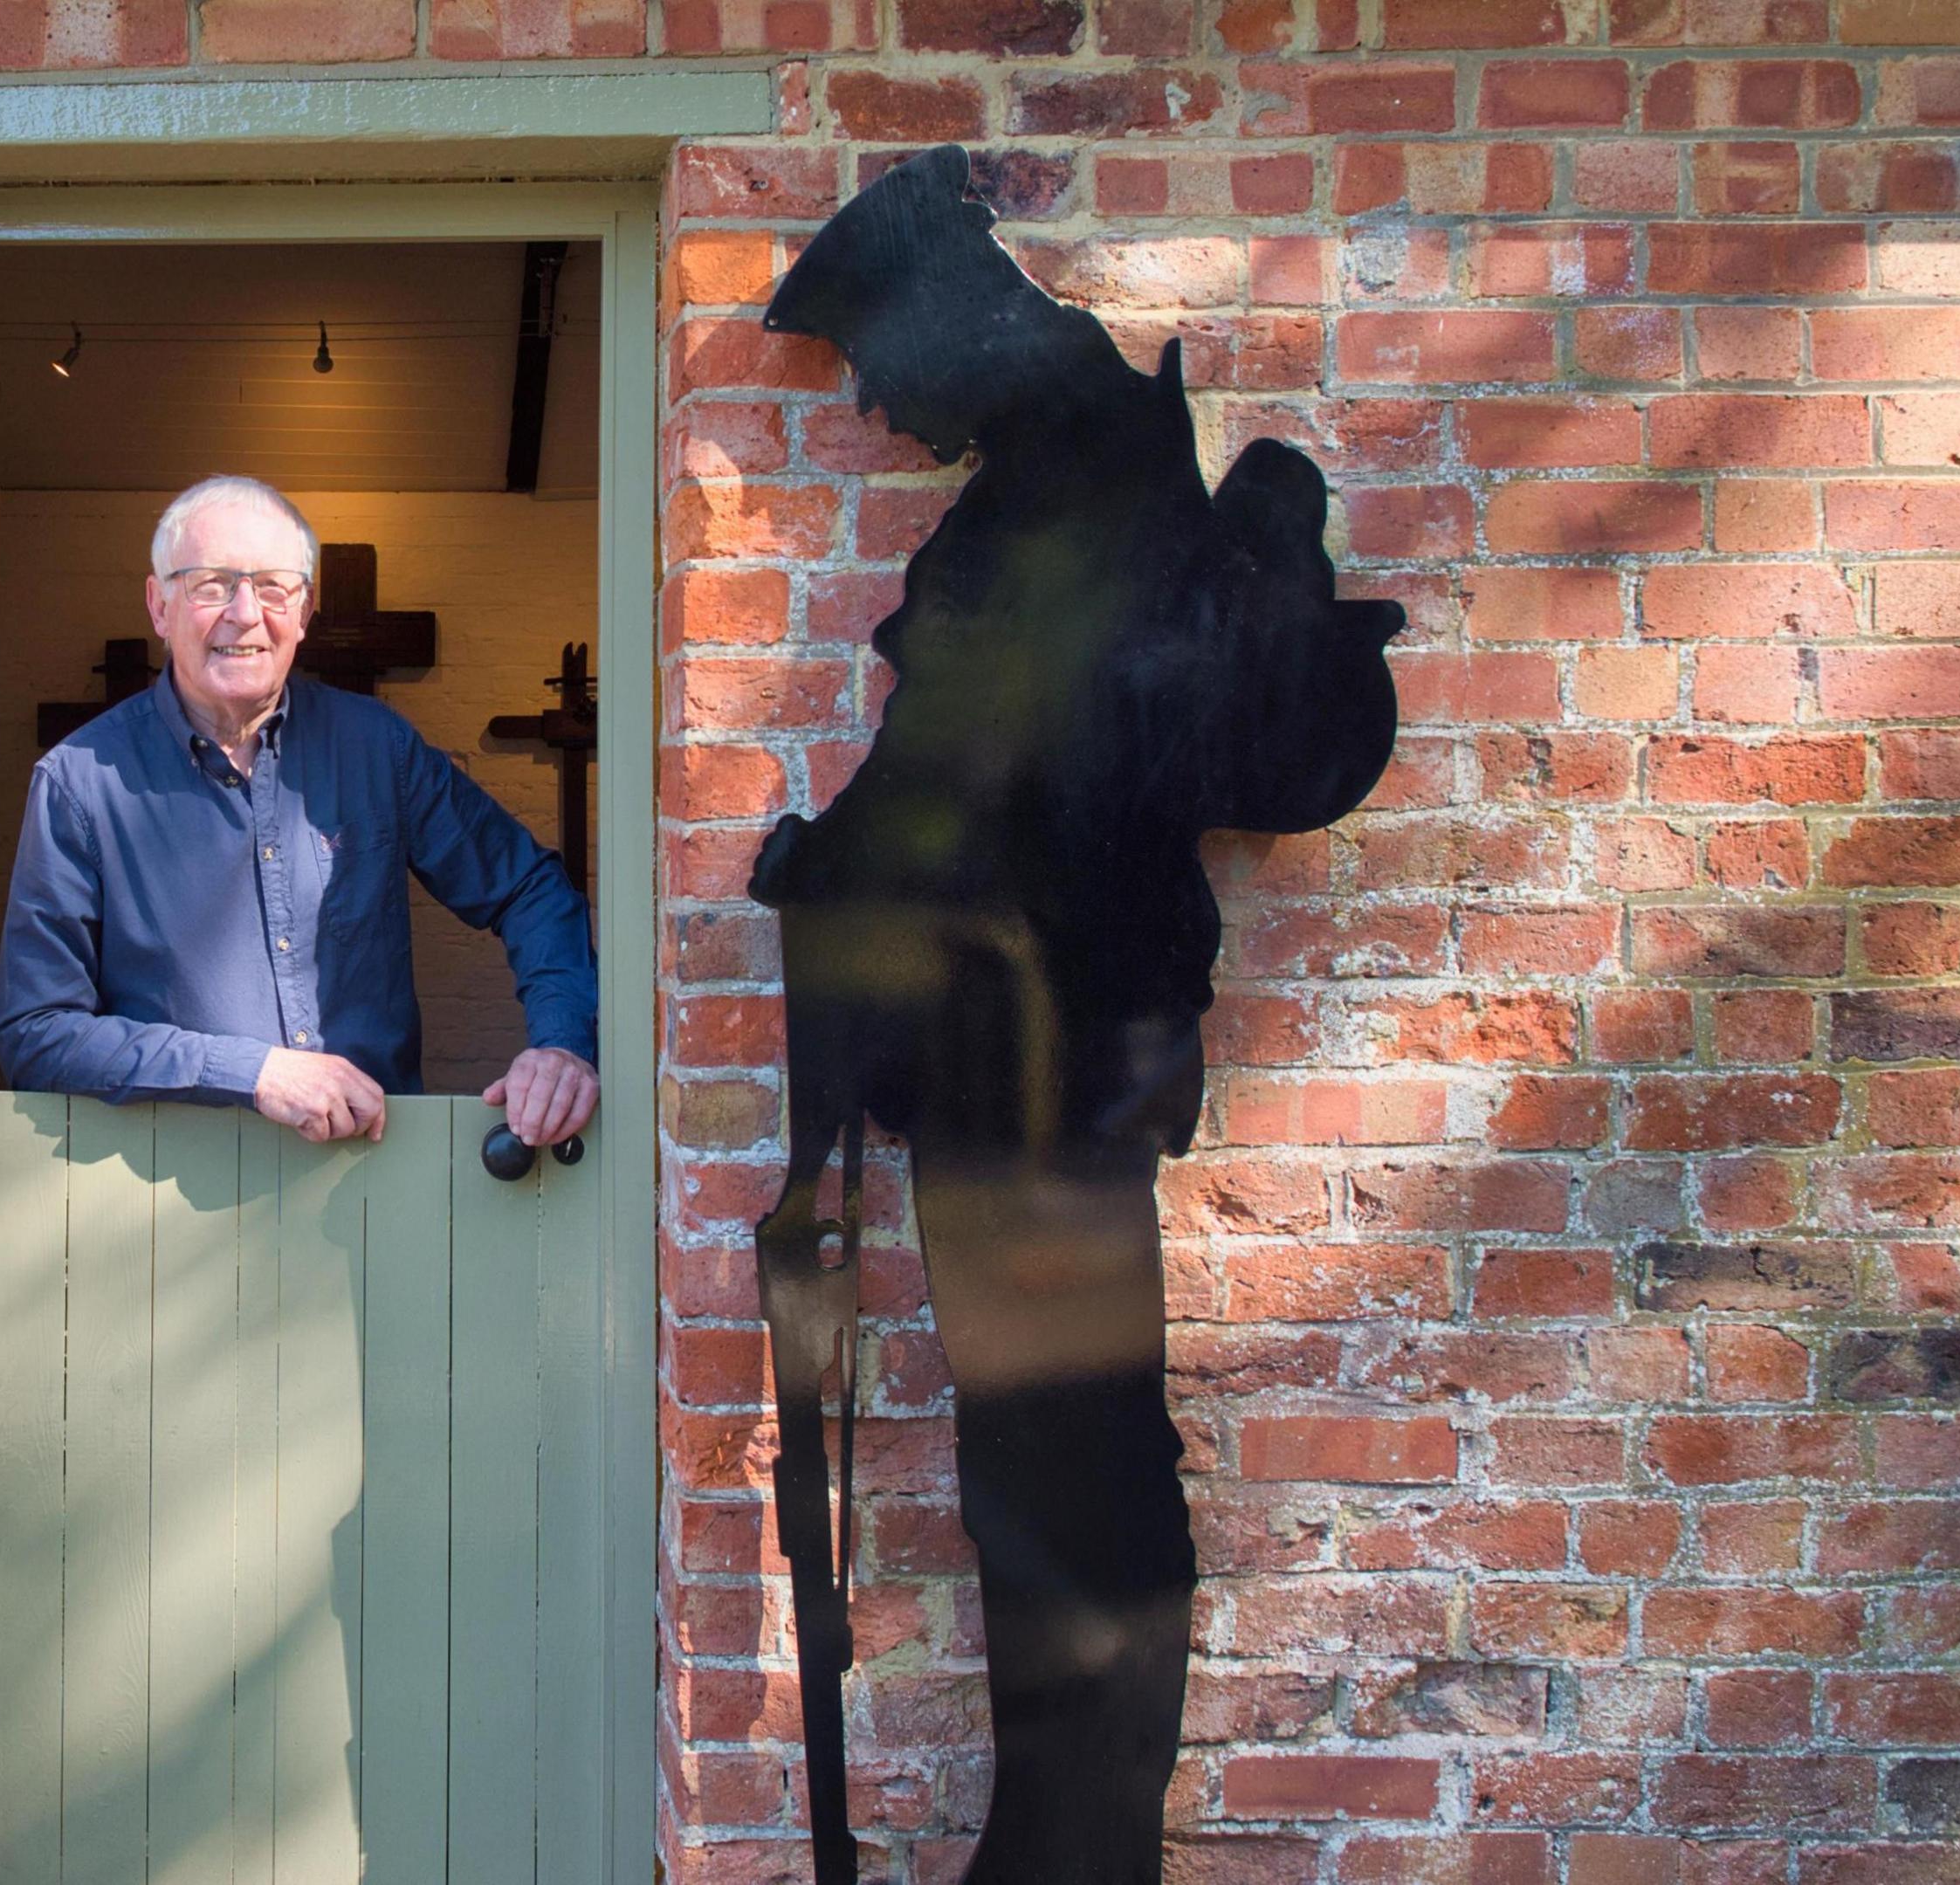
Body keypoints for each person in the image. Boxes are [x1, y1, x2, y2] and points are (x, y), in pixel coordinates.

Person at [750, 147, 1402, 1885]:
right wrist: (838, 867)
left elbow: (1033, 773)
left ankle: (1080, 1849)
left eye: (876, 357)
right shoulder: (1061, 479)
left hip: (1047, 1061)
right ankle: (1058, 1835)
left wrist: (855, 865)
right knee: (1040, 1467)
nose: (875, 400)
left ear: (953, 322)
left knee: (1071, 1476)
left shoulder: (1089, 488)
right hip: (1010, 1060)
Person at [0, 474, 600, 1149]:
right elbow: (36, 1030)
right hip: (174, 1201)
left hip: (378, 1191)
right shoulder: (79, 784)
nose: (246, 612)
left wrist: (562, 1045)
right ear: (159, 607)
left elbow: (528, 888)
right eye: (211, 584)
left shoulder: (378, 748)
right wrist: (252, 1072)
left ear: (305, 611)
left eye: (275, 585)